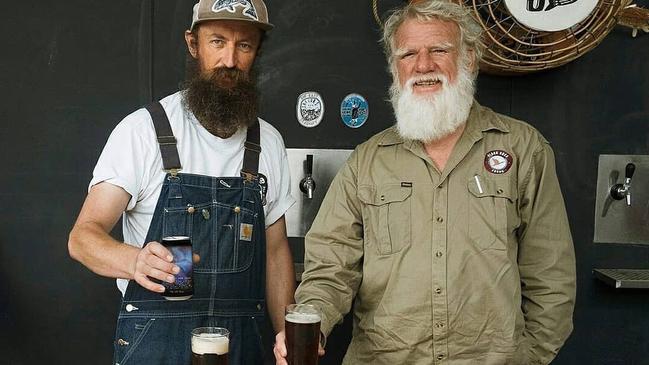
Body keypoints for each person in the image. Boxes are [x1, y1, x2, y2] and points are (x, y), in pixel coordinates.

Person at [274, 1, 576, 364]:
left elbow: (551, 278)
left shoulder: (523, 149)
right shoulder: (367, 162)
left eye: (439, 50)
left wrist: (528, 358)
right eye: (408, 54)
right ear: (395, 68)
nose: (423, 65)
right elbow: (330, 269)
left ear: (469, 58)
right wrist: (313, 321)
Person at [68, 0, 296, 363]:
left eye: (244, 45)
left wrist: (288, 331)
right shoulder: (143, 131)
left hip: (242, 345)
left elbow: (274, 251)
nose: (230, 61)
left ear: (257, 52)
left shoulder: (267, 141)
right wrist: (135, 261)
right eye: (218, 41)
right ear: (193, 44)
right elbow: (83, 238)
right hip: (155, 342)